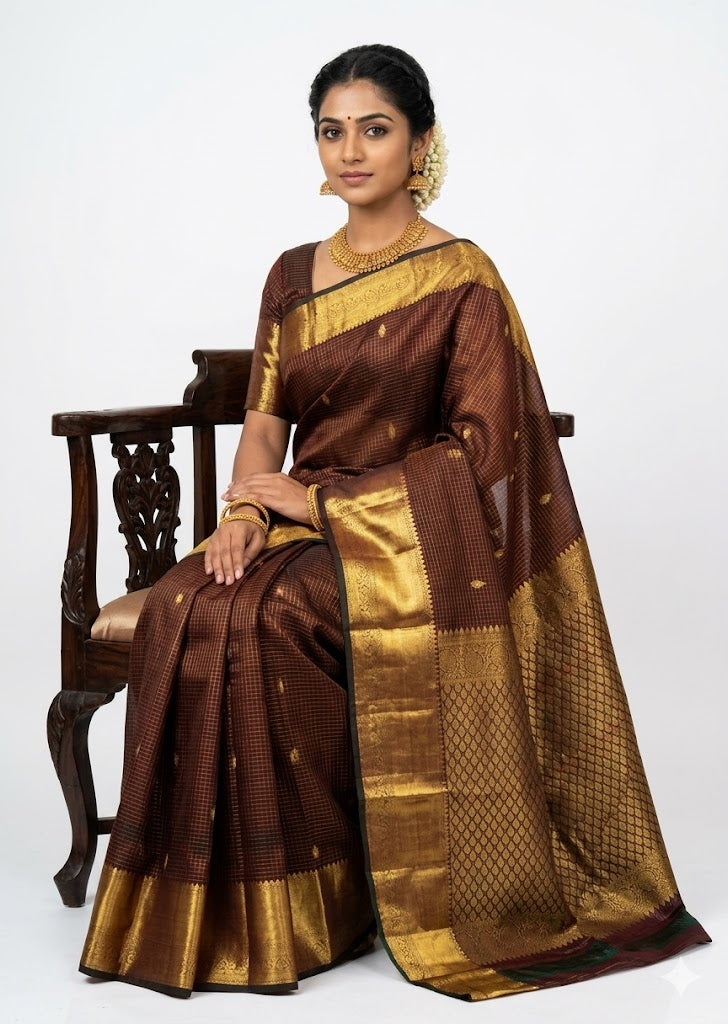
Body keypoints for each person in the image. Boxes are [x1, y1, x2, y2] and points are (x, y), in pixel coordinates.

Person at [79, 43, 710, 1001]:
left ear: (420, 144)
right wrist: (243, 513)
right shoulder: (291, 276)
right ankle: (232, 903)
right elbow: (264, 427)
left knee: (268, 617)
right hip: (291, 527)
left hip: (407, 545)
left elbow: (486, 452)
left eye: (374, 129)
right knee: (189, 604)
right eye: (332, 132)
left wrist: (324, 500)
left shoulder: (461, 278)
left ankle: (320, 902)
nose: (351, 151)